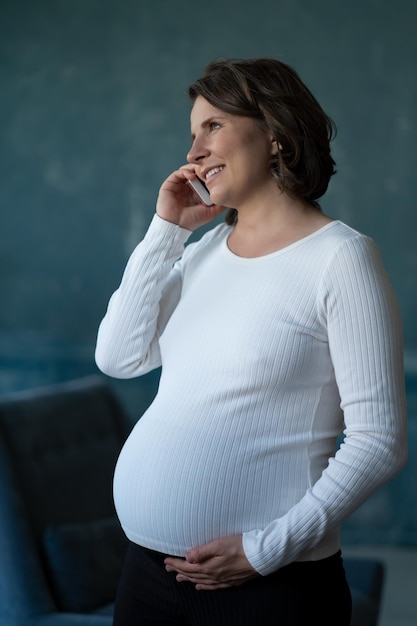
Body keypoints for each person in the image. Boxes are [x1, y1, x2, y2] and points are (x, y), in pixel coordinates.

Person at [95, 58, 407, 626]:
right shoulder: (202, 252)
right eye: (192, 134)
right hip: (146, 576)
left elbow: (378, 441)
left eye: (213, 126)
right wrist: (166, 231)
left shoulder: (341, 259)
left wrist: (265, 551)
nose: (194, 151)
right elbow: (117, 358)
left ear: (276, 135)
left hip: (270, 589)